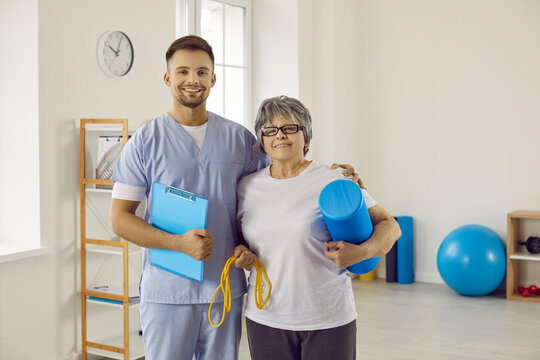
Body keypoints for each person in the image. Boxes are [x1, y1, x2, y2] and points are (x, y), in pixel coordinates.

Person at [110, 36, 361, 360]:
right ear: (167, 78)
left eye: (201, 72)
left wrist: (343, 181)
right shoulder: (145, 140)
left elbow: (280, 183)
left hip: (225, 289)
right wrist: (177, 243)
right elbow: (119, 219)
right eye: (182, 71)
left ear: (213, 79)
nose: (192, 80)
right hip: (167, 294)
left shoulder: (239, 140)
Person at [234, 95, 402, 360]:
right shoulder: (246, 188)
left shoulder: (334, 179)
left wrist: (361, 252)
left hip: (327, 319)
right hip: (265, 317)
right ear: (262, 140)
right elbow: (241, 239)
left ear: (306, 137)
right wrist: (242, 253)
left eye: (290, 127)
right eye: (270, 130)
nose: (280, 135)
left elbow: (391, 227)